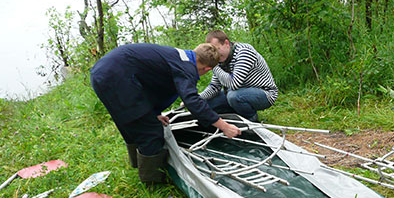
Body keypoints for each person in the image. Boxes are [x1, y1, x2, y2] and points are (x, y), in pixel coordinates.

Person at [90, 43, 241, 183]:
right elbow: (192, 101)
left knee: (131, 120)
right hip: (117, 76)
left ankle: (138, 165)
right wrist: (224, 126)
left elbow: (150, 85)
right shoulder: (187, 67)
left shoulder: (177, 56)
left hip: (102, 73)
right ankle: (152, 182)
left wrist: (154, 113)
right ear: (207, 69)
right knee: (151, 131)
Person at [199, 30, 278, 122]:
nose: (215, 54)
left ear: (226, 43)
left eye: (217, 49)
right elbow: (214, 87)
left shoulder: (244, 52)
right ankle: (237, 114)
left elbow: (234, 84)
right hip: (238, 93)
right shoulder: (220, 59)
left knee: (233, 96)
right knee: (206, 103)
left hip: (264, 93)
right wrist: (196, 98)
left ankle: (251, 119)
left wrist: (214, 66)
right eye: (212, 51)